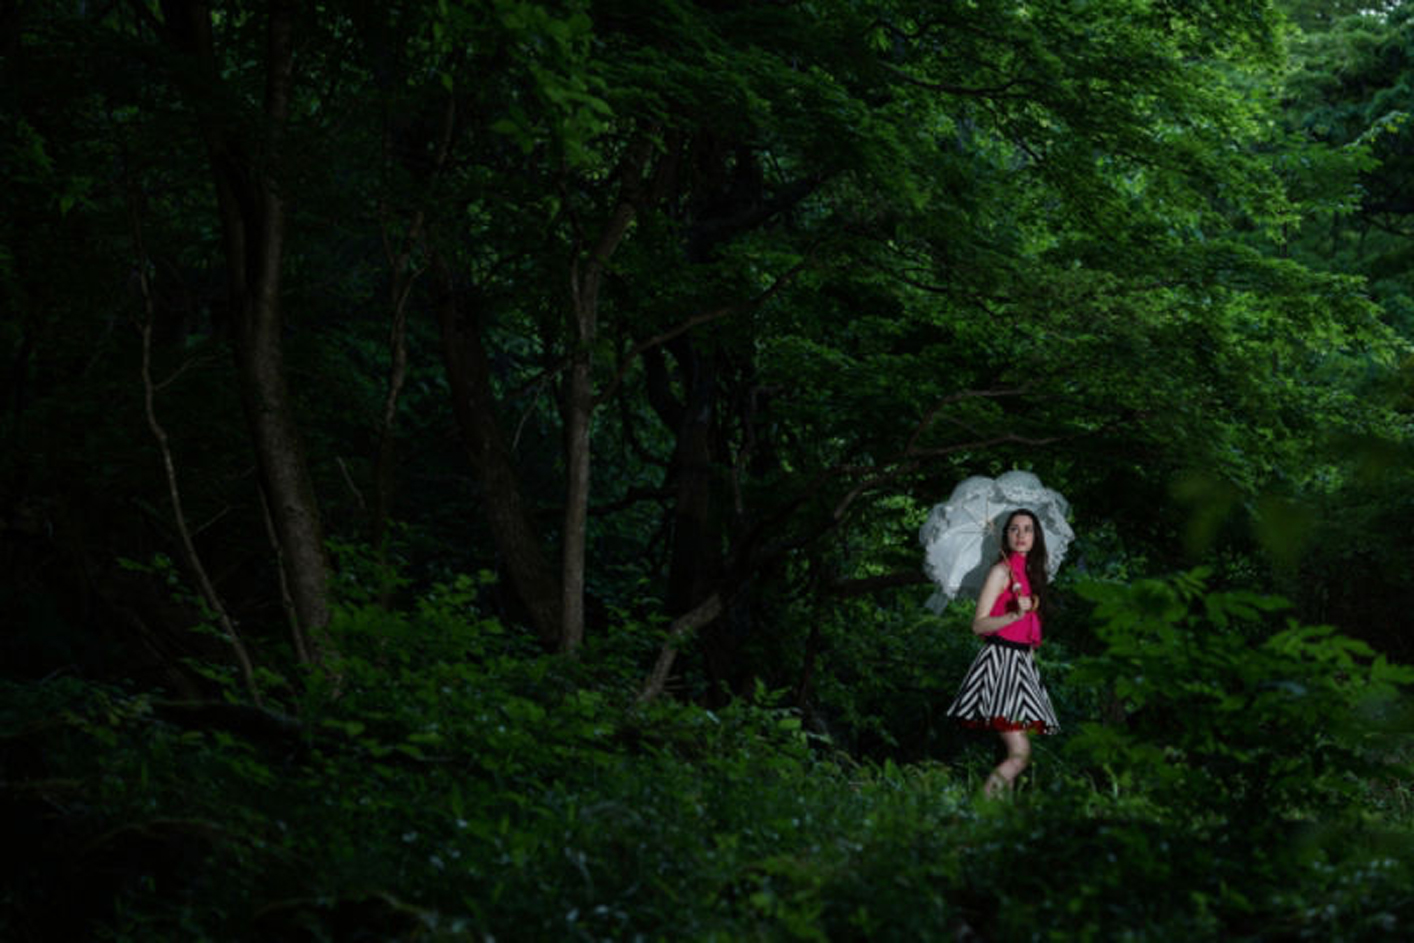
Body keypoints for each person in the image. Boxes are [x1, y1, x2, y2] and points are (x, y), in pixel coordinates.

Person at [945, 508, 1060, 797]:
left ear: (1036, 537)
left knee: (1015, 752)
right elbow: (978, 624)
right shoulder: (1000, 572)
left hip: (1021, 665)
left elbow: (1028, 635)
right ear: (1005, 535)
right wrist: (1012, 616)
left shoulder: (1031, 576)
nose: (1021, 535)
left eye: (1028, 529)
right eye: (1014, 529)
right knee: (1020, 752)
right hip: (1000, 664)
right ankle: (980, 812)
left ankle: (997, 822)